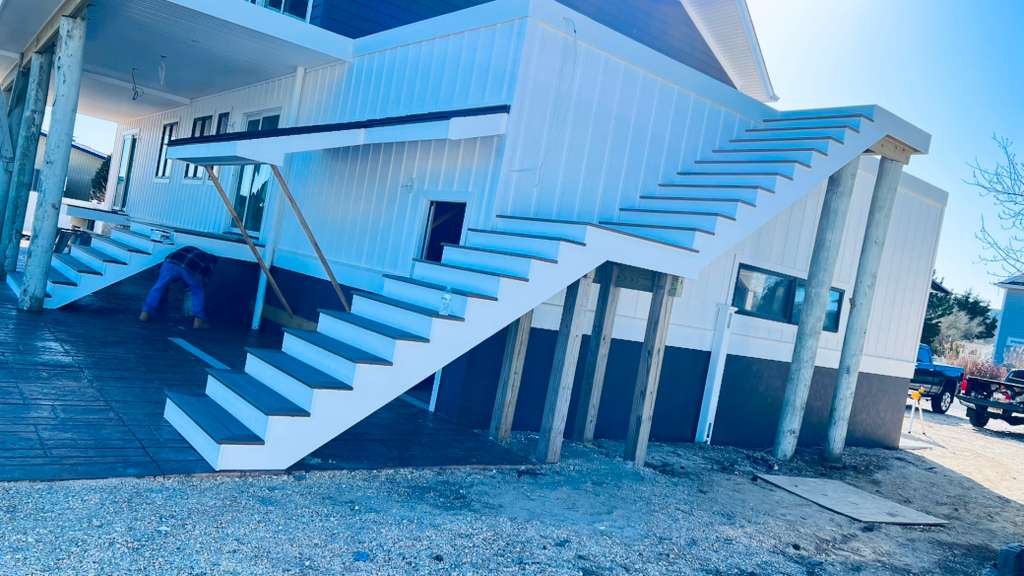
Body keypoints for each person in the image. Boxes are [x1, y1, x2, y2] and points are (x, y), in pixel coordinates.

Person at [139, 246, 217, 329]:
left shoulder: (190, 248)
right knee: (197, 291)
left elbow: (169, 264)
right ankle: (199, 320)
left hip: (170, 262)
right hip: (188, 267)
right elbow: (203, 281)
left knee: (158, 287)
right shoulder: (209, 262)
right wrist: (188, 289)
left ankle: (145, 313)